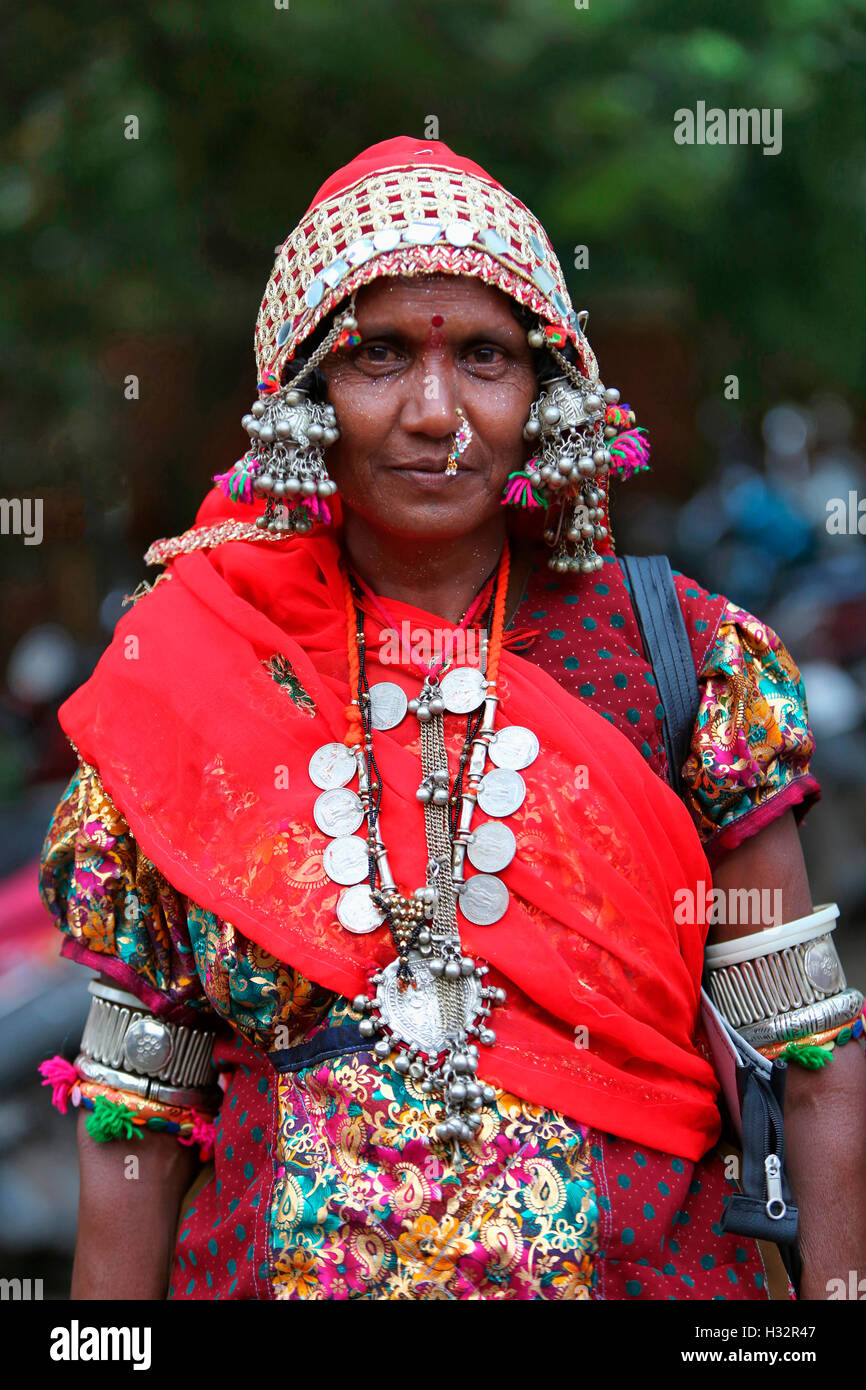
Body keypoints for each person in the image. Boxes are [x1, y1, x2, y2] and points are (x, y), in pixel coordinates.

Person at [38, 137, 866, 1301]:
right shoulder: (195, 675)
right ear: (305, 395)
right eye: (378, 355)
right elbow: (138, 1109)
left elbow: (805, 1054)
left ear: (545, 393)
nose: (436, 411)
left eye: (483, 355)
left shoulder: (681, 661)